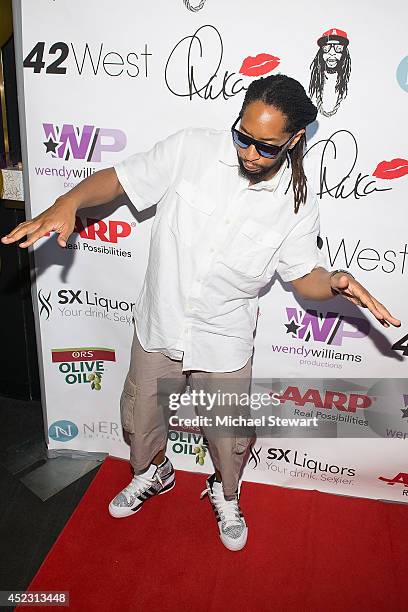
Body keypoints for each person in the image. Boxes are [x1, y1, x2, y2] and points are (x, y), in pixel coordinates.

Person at [1, 74, 400, 552]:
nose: (249, 153)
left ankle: (224, 492)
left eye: (266, 147)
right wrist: (69, 201)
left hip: (224, 335)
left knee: (228, 434)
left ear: (294, 140)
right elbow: (119, 178)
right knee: (142, 415)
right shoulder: (191, 149)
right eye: (243, 136)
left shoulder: (296, 204)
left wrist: (333, 283)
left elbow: (303, 277)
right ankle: (154, 473)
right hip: (160, 320)